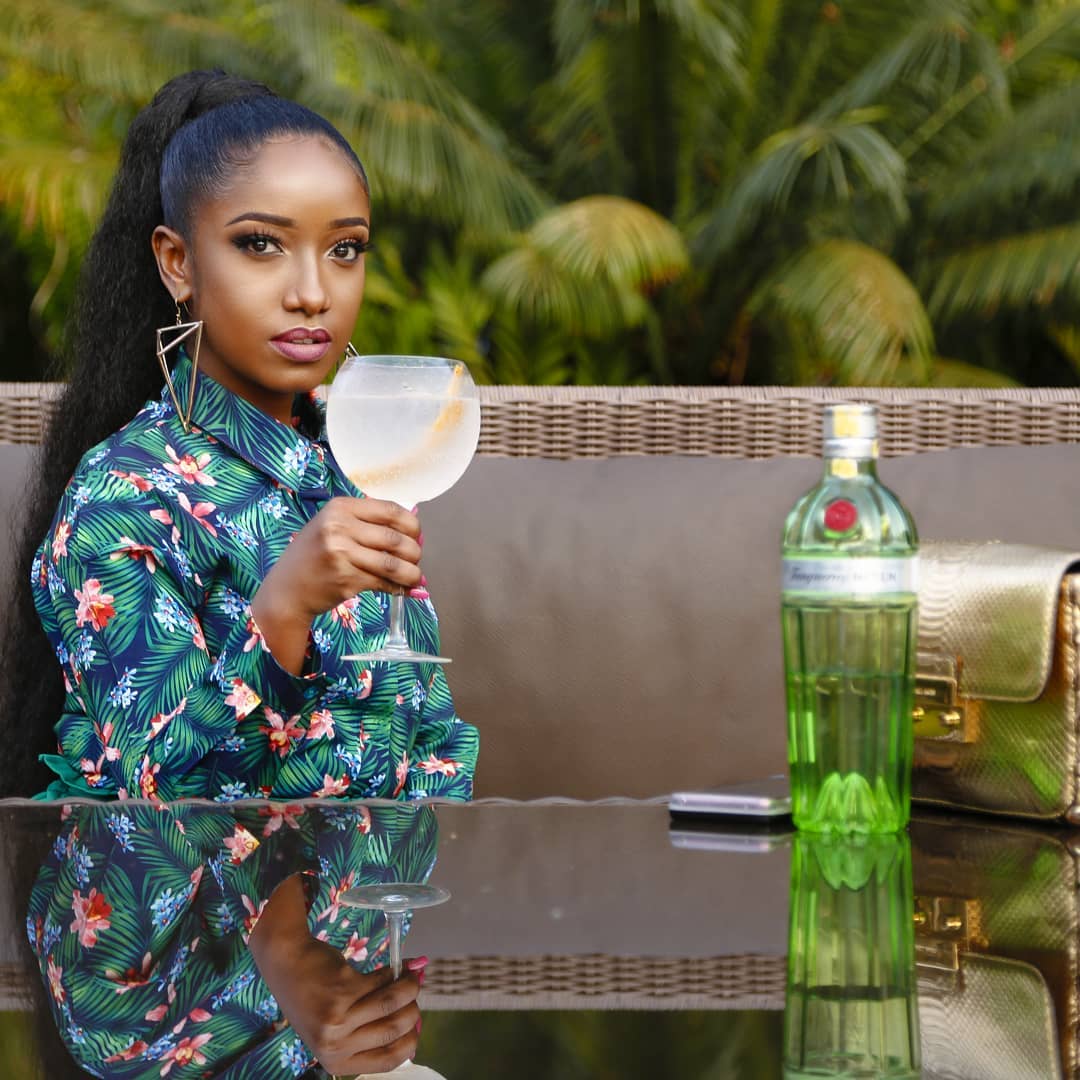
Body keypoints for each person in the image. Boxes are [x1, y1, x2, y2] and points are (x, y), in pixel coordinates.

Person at [1, 68, 478, 1075]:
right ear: (177, 263)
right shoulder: (124, 497)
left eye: (344, 249)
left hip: (367, 985)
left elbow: (430, 744)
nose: (313, 290)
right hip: (169, 990)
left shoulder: (355, 468)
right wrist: (283, 608)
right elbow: (154, 802)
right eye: (261, 244)